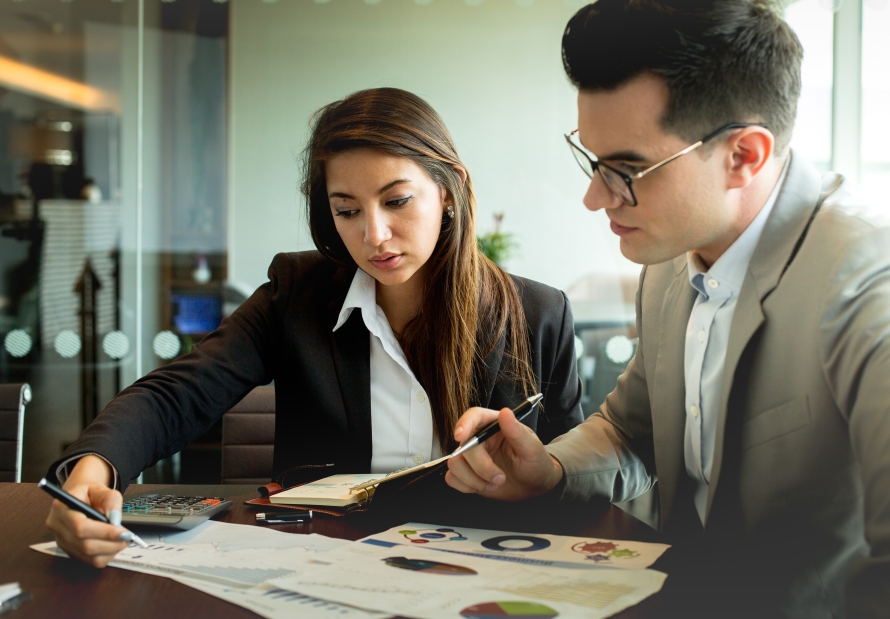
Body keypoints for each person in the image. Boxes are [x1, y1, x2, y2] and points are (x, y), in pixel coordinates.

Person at [445, 0, 890, 618]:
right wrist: (549, 470)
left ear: (745, 155)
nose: (595, 197)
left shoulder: (878, 279)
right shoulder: (672, 259)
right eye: (593, 162)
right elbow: (632, 430)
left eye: (626, 169)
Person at [45, 87, 584, 567]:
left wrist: (545, 480)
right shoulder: (297, 294)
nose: (374, 234)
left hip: (482, 573)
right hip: (323, 571)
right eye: (347, 211)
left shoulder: (538, 315)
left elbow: (577, 480)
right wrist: (92, 470)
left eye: (396, 201)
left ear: (449, 190)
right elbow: (175, 397)